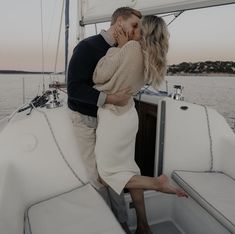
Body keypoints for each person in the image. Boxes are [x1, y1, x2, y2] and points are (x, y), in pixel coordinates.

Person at [93, 15, 188, 234]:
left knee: (105, 175)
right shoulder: (151, 56)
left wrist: (118, 47)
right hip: (128, 118)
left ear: (144, 30)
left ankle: (157, 184)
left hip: (113, 118)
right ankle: (144, 226)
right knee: (128, 168)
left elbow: (99, 76)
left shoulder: (131, 48)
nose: (132, 29)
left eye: (137, 26)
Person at [67, 7, 142, 233]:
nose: (138, 31)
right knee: (96, 177)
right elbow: (74, 89)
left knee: (114, 173)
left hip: (111, 121)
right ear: (120, 22)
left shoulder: (127, 49)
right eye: (134, 25)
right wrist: (111, 98)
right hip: (86, 120)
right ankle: (105, 226)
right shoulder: (87, 47)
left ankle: (122, 224)